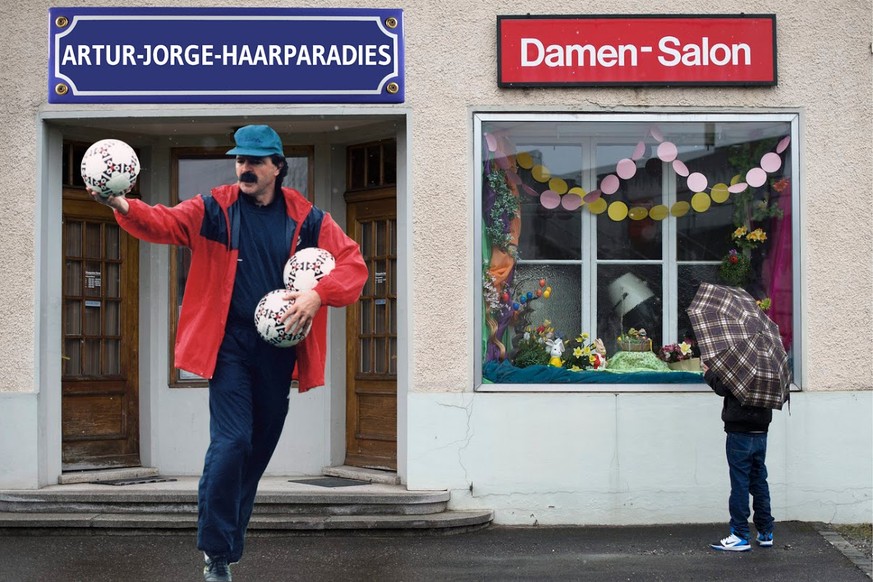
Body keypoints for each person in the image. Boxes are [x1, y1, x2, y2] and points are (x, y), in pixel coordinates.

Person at [88, 125, 368, 581]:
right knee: (232, 443)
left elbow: (354, 264)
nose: (245, 167)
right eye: (240, 159)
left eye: (255, 161)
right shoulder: (215, 208)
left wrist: (319, 295)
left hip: (278, 353)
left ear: (278, 167)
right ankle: (216, 552)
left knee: (255, 454)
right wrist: (122, 205)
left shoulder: (310, 220)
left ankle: (226, 545)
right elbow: (166, 221)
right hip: (230, 348)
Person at [702, 362, 775, 552]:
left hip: (740, 430)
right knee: (759, 479)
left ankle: (740, 535)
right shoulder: (769, 364)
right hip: (761, 429)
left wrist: (709, 373)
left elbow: (723, 387)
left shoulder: (741, 360)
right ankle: (765, 531)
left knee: (740, 481)